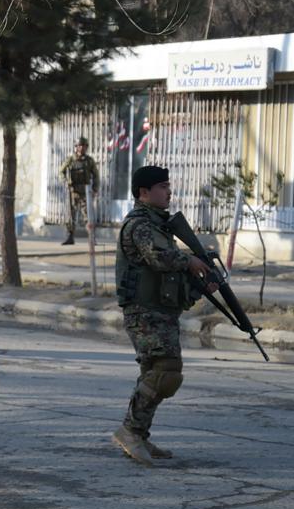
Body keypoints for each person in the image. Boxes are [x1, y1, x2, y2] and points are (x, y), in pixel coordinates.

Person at [112, 166, 216, 465]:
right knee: (166, 370)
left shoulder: (157, 223)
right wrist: (189, 260)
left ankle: (138, 434)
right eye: (162, 187)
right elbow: (157, 258)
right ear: (144, 192)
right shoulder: (140, 225)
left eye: (168, 186)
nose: (168, 192)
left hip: (158, 310)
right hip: (144, 312)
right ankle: (130, 431)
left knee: (156, 373)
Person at [59, 136, 99, 245]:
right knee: (70, 215)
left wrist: (95, 189)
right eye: (79, 146)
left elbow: (96, 175)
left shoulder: (89, 161)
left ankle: (91, 238)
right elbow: (61, 172)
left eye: (83, 146)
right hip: (73, 191)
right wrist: (66, 181)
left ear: (86, 147)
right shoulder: (70, 160)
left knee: (88, 215)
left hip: (85, 191)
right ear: (76, 147)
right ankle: (70, 237)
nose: (81, 148)